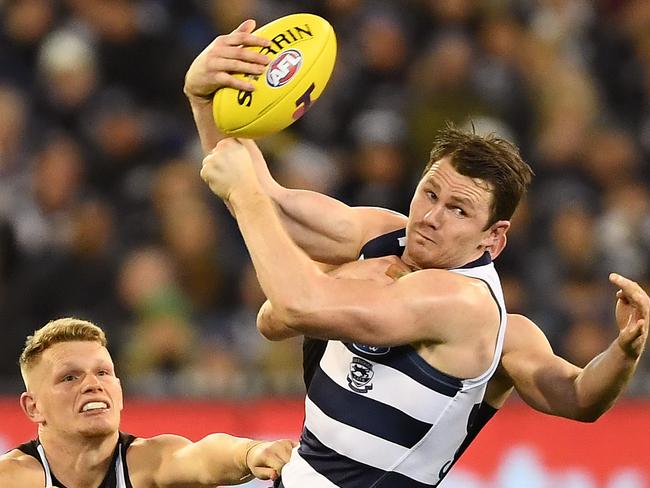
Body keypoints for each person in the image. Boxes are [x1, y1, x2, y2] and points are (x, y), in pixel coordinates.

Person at [185, 21, 650, 488]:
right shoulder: (386, 235)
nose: (430, 217)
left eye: (458, 210)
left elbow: (579, 398)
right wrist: (207, 101)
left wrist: (624, 353)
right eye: (429, 194)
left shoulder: (465, 306)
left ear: (494, 238)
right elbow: (274, 205)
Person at [0, 317, 296, 487]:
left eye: (103, 372)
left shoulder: (147, 464)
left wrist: (251, 451)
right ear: (33, 407)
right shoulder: (13, 479)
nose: (93, 385)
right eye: (70, 378)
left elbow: (204, 456)